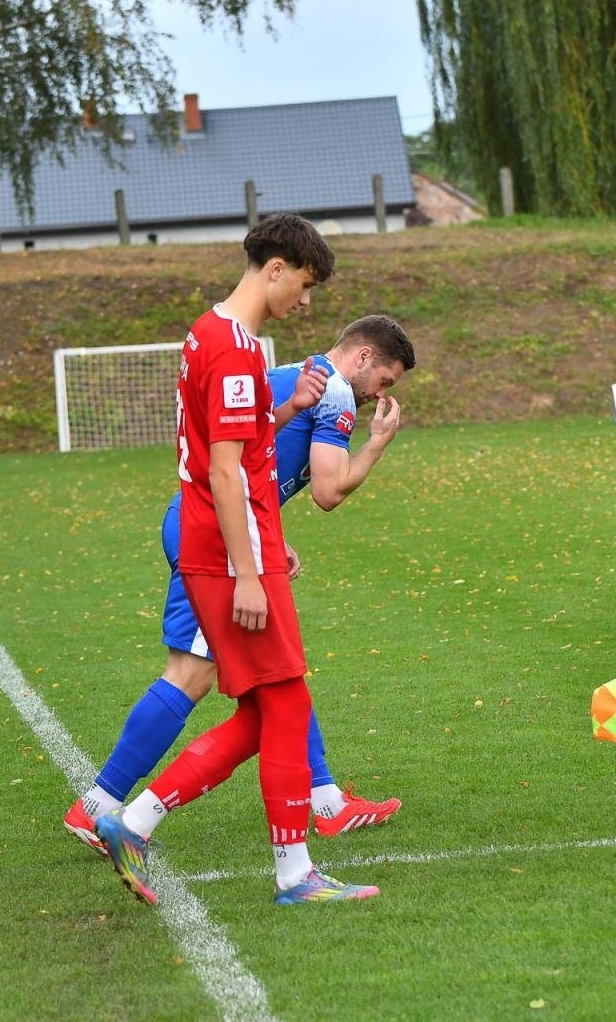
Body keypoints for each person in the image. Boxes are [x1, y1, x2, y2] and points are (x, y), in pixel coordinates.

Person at [94, 214, 380, 905]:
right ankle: (289, 872)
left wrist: (290, 410)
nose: (306, 303)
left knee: (275, 709)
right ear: (275, 267)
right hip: (231, 550)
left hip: (233, 544)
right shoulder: (228, 346)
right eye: (305, 287)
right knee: (283, 701)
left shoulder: (222, 335)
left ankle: (134, 821)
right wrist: (250, 571)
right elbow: (224, 472)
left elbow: (242, 440)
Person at [63, 314, 416, 852]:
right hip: (218, 540)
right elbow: (329, 490)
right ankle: (100, 808)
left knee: (281, 674)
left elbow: (247, 457)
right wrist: (377, 445)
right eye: (385, 380)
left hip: (206, 524)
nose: (379, 394)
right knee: (191, 675)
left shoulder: (292, 375)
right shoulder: (337, 394)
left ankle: (325, 800)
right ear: (363, 358)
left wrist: (269, 531)